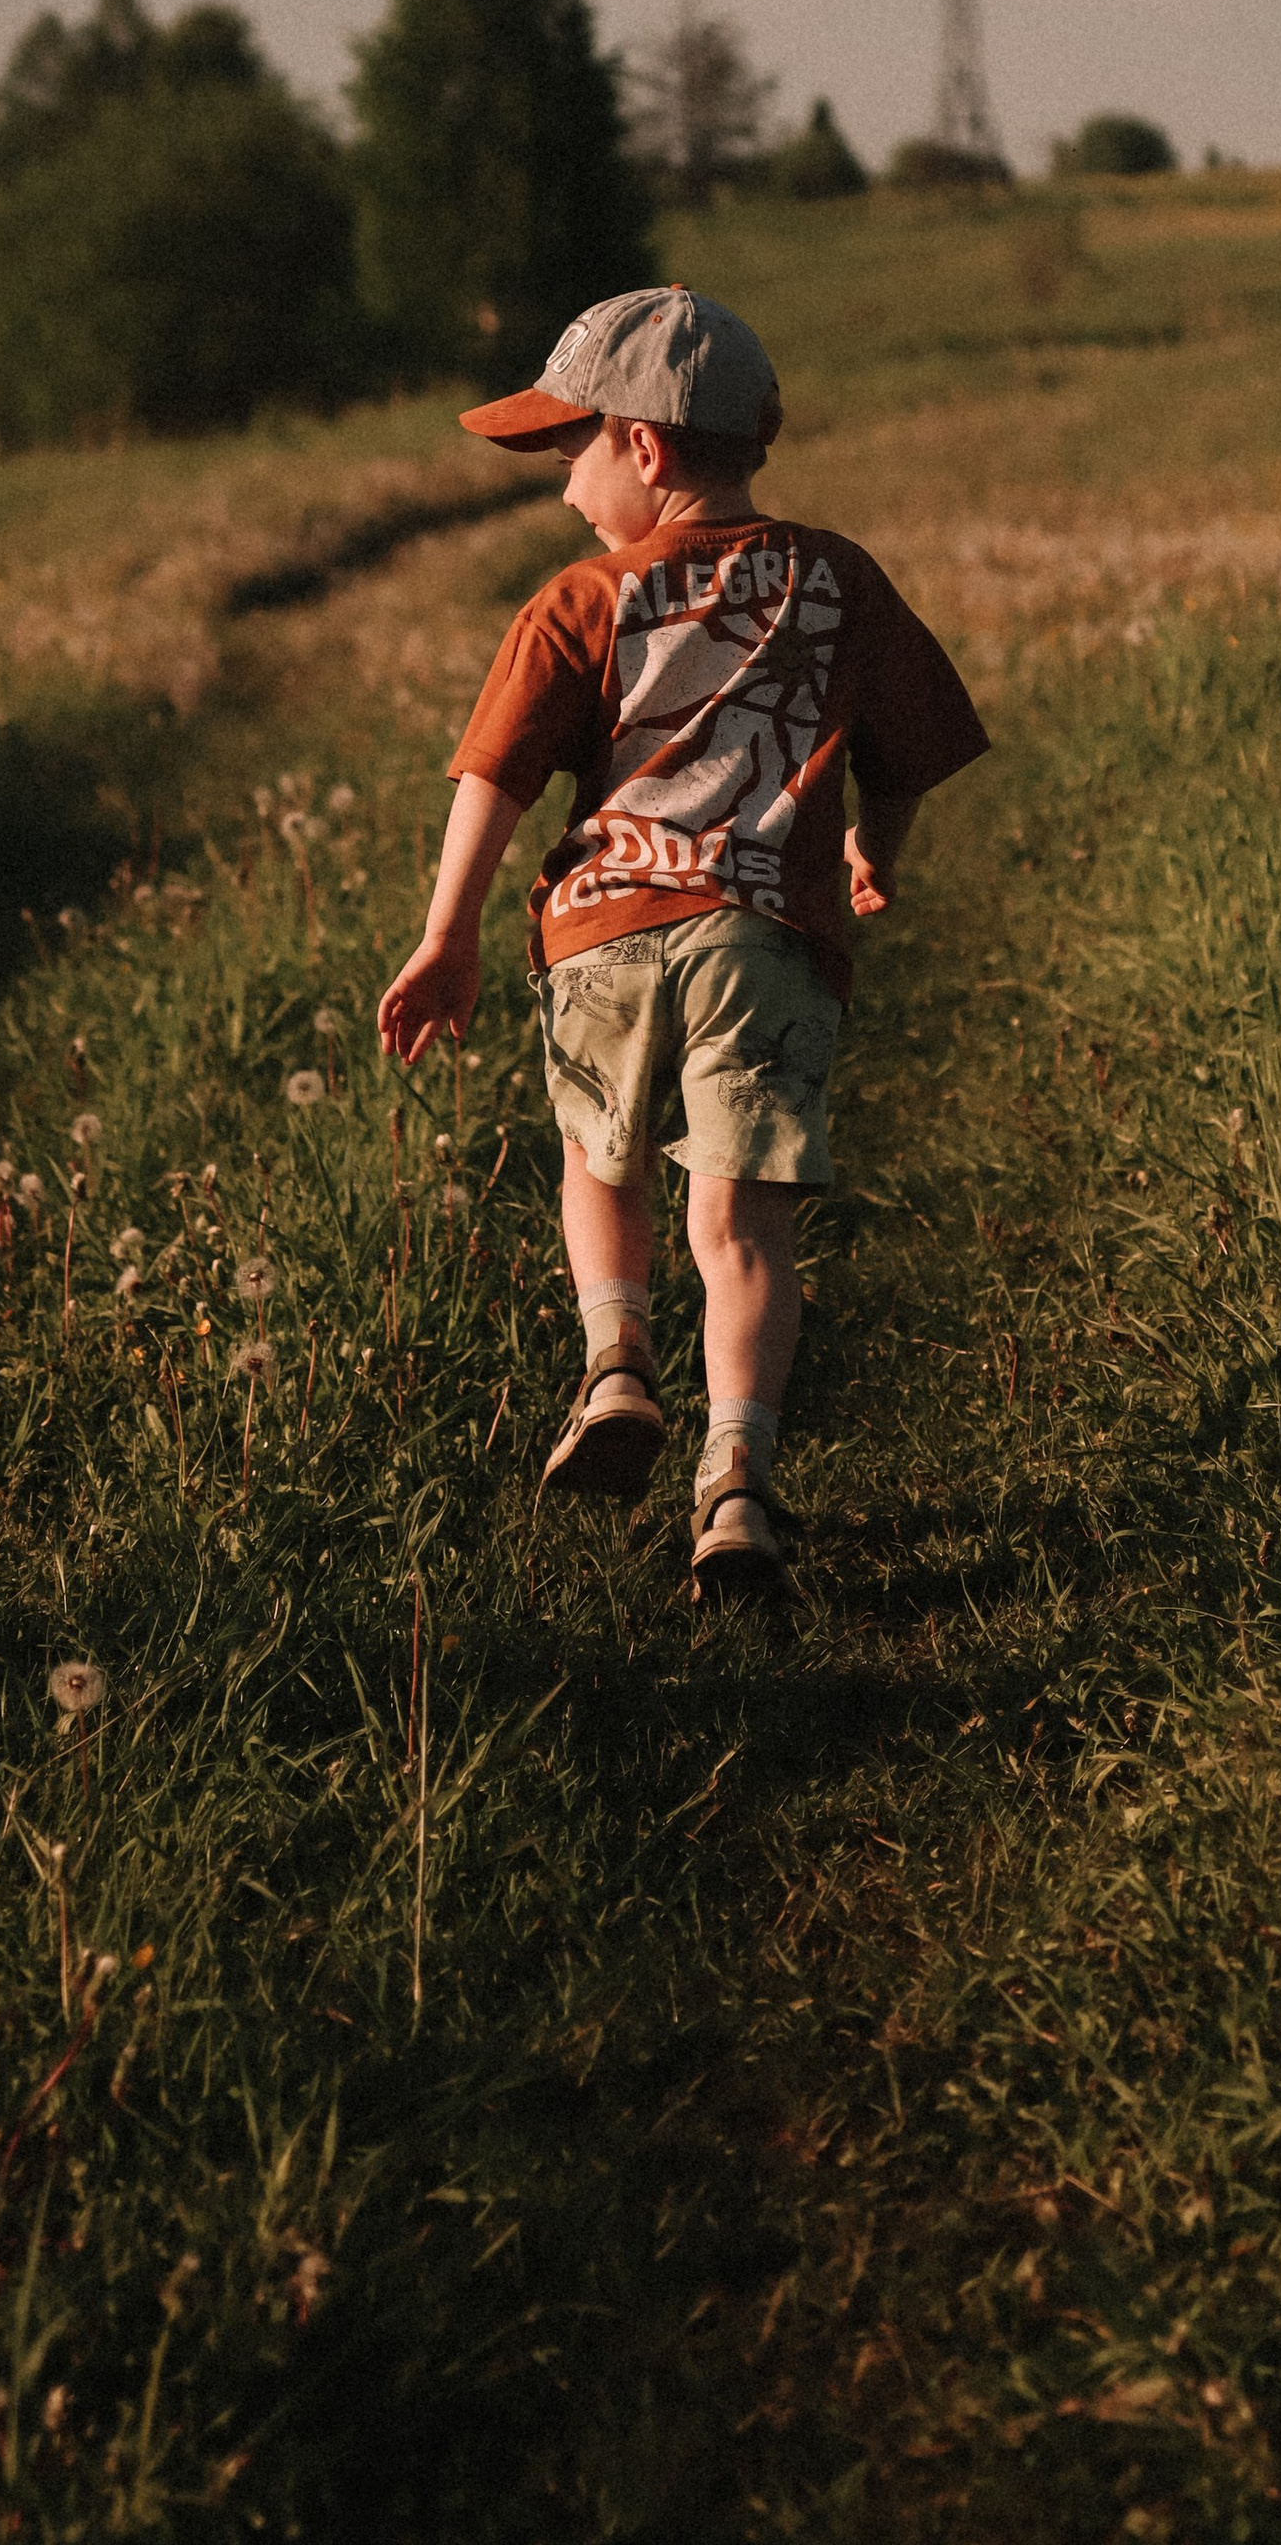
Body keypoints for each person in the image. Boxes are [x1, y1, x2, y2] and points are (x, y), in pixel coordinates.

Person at [375, 284, 987, 1599]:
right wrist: (880, 849)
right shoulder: (838, 579)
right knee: (742, 1229)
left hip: (603, 933)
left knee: (600, 1164)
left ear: (643, 448)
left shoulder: (582, 598)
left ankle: (614, 1363)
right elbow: (912, 755)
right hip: (766, 937)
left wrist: (449, 937)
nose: (564, 492)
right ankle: (740, 1486)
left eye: (570, 457)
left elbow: (492, 776)